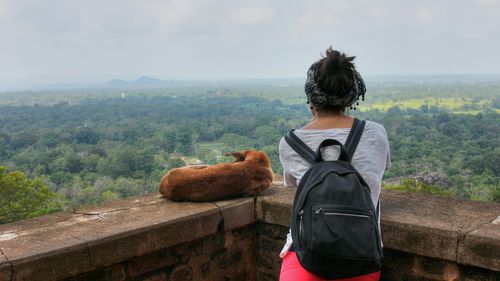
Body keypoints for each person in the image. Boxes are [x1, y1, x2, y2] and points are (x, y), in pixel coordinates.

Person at [278, 47, 391, 281]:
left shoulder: (290, 143)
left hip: (305, 258)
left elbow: (291, 185)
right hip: (362, 257)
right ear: (351, 95)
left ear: (311, 97)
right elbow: (379, 171)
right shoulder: (376, 134)